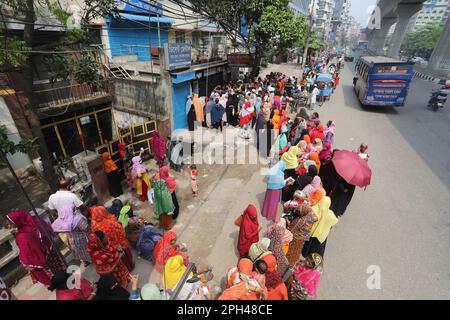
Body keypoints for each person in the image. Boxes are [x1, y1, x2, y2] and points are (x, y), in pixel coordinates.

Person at [3, 210, 66, 287]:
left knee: (53, 274)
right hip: (50, 248)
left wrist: (25, 261)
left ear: (17, 220)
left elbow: (27, 252)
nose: (10, 227)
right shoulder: (34, 220)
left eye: (11, 224)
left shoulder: (22, 236)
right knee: (59, 268)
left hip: (42, 258)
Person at [89, 206, 134, 272]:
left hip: (109, 248)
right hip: (119, 244)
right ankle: (130, 267)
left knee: (118, 261)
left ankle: (126, 271)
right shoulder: (110, 221)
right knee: (125, 256)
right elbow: (120, 231)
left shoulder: (94, 225)